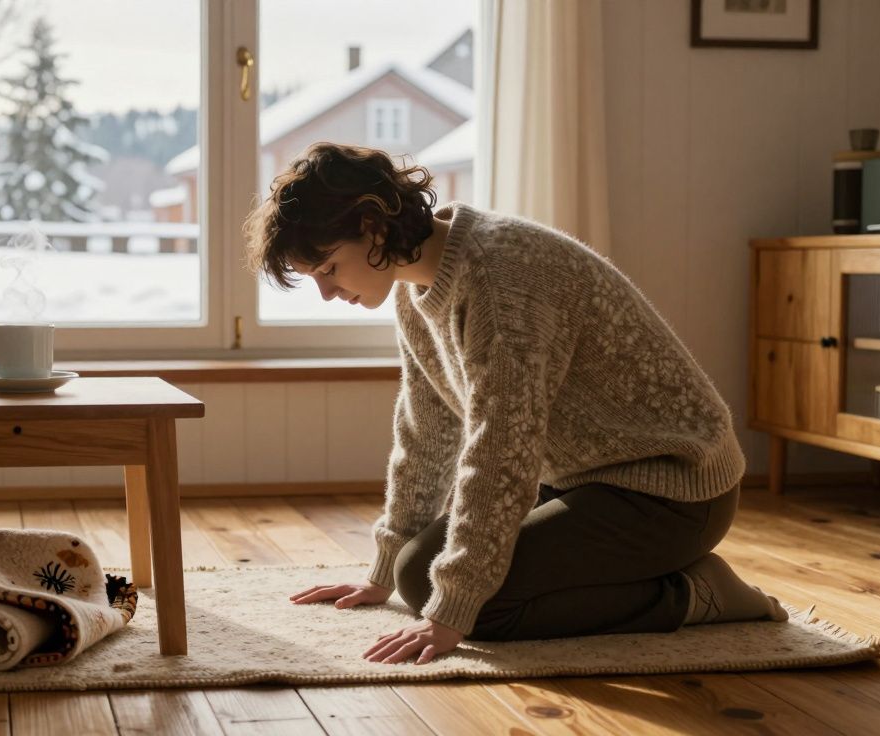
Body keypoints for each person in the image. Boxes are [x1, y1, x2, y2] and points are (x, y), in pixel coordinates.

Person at [242, 141, 788, 667]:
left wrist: (454, 611)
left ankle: (694, 593)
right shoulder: (414, 289)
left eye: (329, 269)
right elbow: (424, 432)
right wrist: (383, 572)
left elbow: (502, 450)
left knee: (478, 609)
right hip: (580, 479)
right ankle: (635, 572)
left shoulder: (501, 277)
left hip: (673, 490)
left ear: (372, 225)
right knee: (416, 574)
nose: (327, 293)